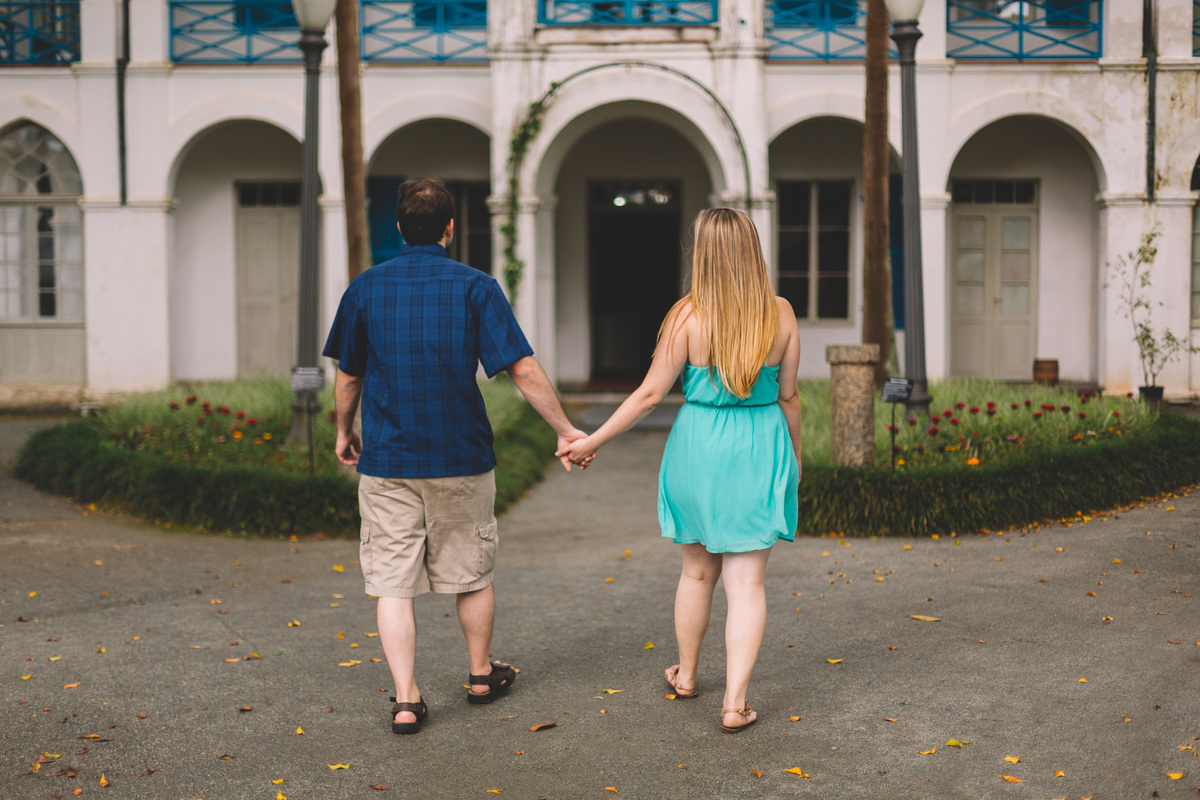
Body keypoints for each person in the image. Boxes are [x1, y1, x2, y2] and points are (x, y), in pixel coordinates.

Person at [323, 177, 588, 735]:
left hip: (389, 461)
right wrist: (565, 430)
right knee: (471, 574)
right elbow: (521, 367)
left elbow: (348, 376)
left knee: (394, 584)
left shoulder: (365, 288)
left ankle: (405, 699)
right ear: (449, 228)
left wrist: (344, 431)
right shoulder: (476, 287)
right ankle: (479, 675)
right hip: (462, 456)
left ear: (398, 227)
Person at [557, 207, 802, 733]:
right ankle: (735, 704)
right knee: (747, 582)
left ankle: (687, 676)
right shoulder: (780, 313)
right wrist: (795, 461)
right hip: (759, 445)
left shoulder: (685, 317)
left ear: (703, 253)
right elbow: (790, 398)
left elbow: (648, 395)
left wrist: (589, 441)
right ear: (751, 248)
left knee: (696, 570)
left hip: (699, 448)